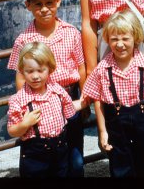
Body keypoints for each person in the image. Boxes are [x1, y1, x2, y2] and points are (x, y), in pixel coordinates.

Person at [7, 0, 87, 177]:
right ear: (28, 6)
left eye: (49, 3)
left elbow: (81, 68)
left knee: (75, 158)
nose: (44, 9)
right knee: (43, 155)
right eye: (38, 4)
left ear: (58, 1)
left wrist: (84, 100)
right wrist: (25, 105)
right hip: (39, 101)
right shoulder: (23, 40)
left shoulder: (71, 33)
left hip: (70, 97)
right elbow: (19, 76)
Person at [82, 9, 144, 177]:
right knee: (120, 165)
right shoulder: (102, 69)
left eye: (125, 38)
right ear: (108, 40)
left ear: (136, 38)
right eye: (114, 39)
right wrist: (102, 131)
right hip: (116, 122)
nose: (120, 44)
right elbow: (98, 100)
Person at [7, 41, 87, 178]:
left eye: (40, 70)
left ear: (50, 69)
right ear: (22, 71)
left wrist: (84, 102)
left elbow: (69, 110)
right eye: (30, 71)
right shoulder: (18, 100)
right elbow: (12, 130)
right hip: (34, 156)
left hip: (60, 149)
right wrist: (25, 124)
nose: (35, 76)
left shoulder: (58, 91)